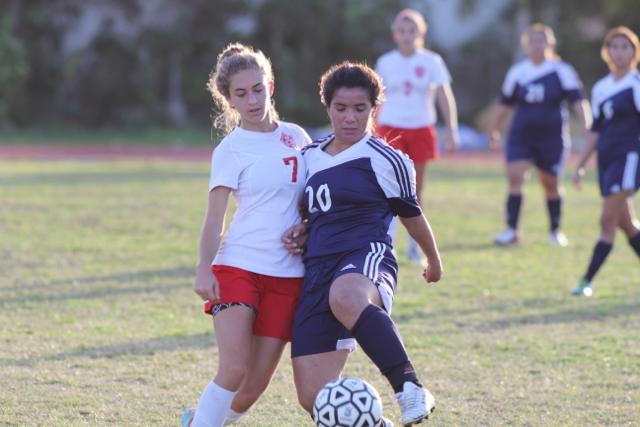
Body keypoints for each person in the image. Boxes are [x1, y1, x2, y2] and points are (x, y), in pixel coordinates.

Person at [284, 62, 443, 427]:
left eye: (360, 109)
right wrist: (301, 230)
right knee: (315, 399)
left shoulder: (388, 158)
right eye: (341, 108)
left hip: (365, 255)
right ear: (328, 108)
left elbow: (412, 214)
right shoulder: (309, 157)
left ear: (375, 109)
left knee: (346, 296)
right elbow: (312, 213)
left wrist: (433, 259)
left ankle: (410, 388)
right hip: (316, 270)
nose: (350, 117)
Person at [182, 42, 310, 427]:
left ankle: (201, 420)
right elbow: (213, 219)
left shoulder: (298, 137)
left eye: (258, 88)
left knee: (252, 388)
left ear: (270, 84)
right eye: (241, 93)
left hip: (288, 274)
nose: (252, 99)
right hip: (238, 267)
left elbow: (312, 203)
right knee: (234, 368)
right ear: (229, 99)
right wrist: (204, 269)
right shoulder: (230, 150)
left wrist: (306, 228)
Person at [488, 23, 592, 246]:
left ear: (550, 43)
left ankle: (555, 231)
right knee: (516, 176)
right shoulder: (518, 72)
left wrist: (587, 124)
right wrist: (495, 129)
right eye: (533, 41)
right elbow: (504, 104)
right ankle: (511, 230)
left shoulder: (562, 71)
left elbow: (578, 100)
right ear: (526, 45)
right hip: (521, 135)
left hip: (551, 136)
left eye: (542, 40)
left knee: (551, 183)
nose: (537, 45)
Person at [374, 8, 459, 262]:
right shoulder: (385, 62)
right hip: (390, 128)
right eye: (402, 30)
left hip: (421, 128)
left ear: (420, 32)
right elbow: (376, 99)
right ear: (395, 34)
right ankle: (386, 242)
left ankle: (415, 246)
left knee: (415, 189)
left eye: (412, 30)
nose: (407, 35)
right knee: (385, 188)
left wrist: (451, 128)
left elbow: (444, 95)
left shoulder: (432, 61)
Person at [571, 26, 640, 296]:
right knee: (627, 225)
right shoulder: (601, 88)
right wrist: (579, 165)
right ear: (607, 52)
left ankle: (585, 281)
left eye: (626, 47)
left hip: (629, 158)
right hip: (607, 160)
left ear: (634, 52)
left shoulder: (635, 85)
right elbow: (595, 131)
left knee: (606, 221)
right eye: (615, 46)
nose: (619, 52)